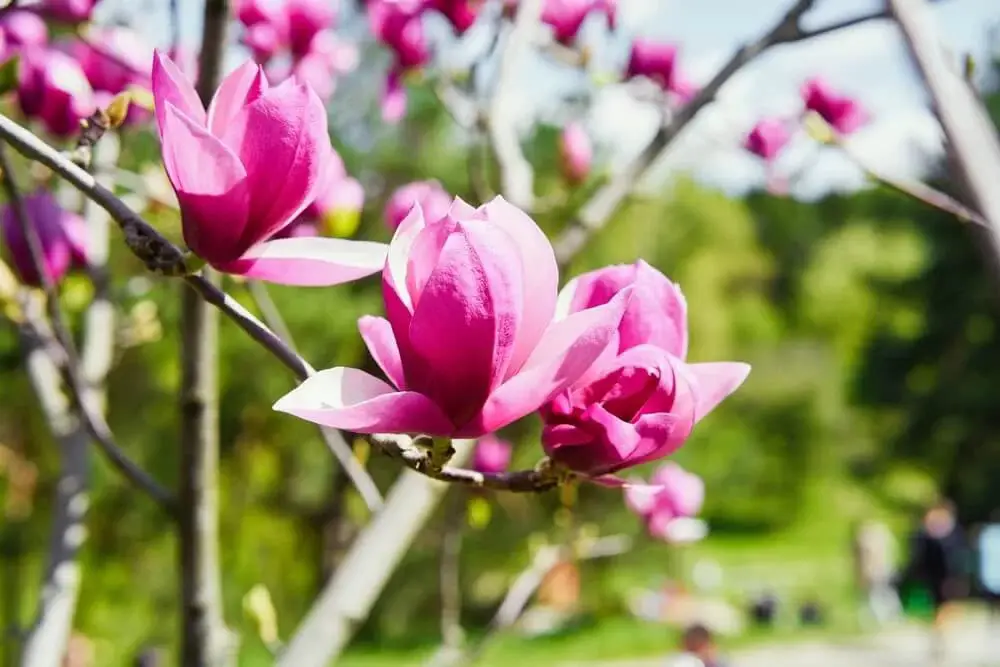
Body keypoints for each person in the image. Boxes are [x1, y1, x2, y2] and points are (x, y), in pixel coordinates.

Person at [904, 499, 968, 664]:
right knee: (939, 609)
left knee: (947, 609)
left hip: (950, 577)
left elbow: (959, 556)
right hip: (934, 578)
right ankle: (939, 636)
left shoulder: (952, 533)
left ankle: (942, 636)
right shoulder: (928, 533)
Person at [852, 518, 901, 626]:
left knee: (881, 594)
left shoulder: (873, 539)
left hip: (878, 571)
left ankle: (886, 616)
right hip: (875, 571)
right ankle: (880, 617)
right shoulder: (874, 539)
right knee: (875, 595)